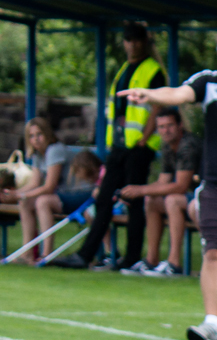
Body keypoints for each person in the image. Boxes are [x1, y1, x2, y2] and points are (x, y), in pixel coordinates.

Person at [121, 28, 217, 340]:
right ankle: (212, 324)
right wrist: (151, 95)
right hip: (215, 185)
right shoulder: (209, 83)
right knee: (214, 251)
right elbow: (178, 94)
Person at [51, 22, 166, 271]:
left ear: (144, 42)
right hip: (119, 146)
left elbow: (157, 106)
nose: (132, 45)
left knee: (133, 201)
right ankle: (86, 255)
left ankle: (132, 257)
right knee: (103, 199)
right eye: (128, 40)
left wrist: (144, 138)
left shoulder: (153, 70)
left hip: (138, 147)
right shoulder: (124, 69)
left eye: (137, 40)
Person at [118, 108, 201, 276]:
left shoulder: (188, 145)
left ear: (180, 125)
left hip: (205, 195)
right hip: (190, 198)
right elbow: (163, 181)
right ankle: (151, 260)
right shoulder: (168, 146)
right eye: (161, 127)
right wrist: (131, 192)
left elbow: (181, 186)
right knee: (152, 200)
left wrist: (141, 190)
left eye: (170, 125)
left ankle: (174, 264)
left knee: (173, 200)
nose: (165, 130)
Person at [2, 118, 71, 264]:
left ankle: (46, 254)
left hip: (71, 194)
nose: (36, 139)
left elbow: (49, 186)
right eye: (31, 136)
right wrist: (15, 195)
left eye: (39, 134)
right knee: (25, 203)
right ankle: (27, 253)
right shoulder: (38, 154)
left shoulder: (54, 150)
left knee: (42, 202)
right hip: (57, 197)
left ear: (47, 134)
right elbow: (34, 183)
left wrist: (22, 194)